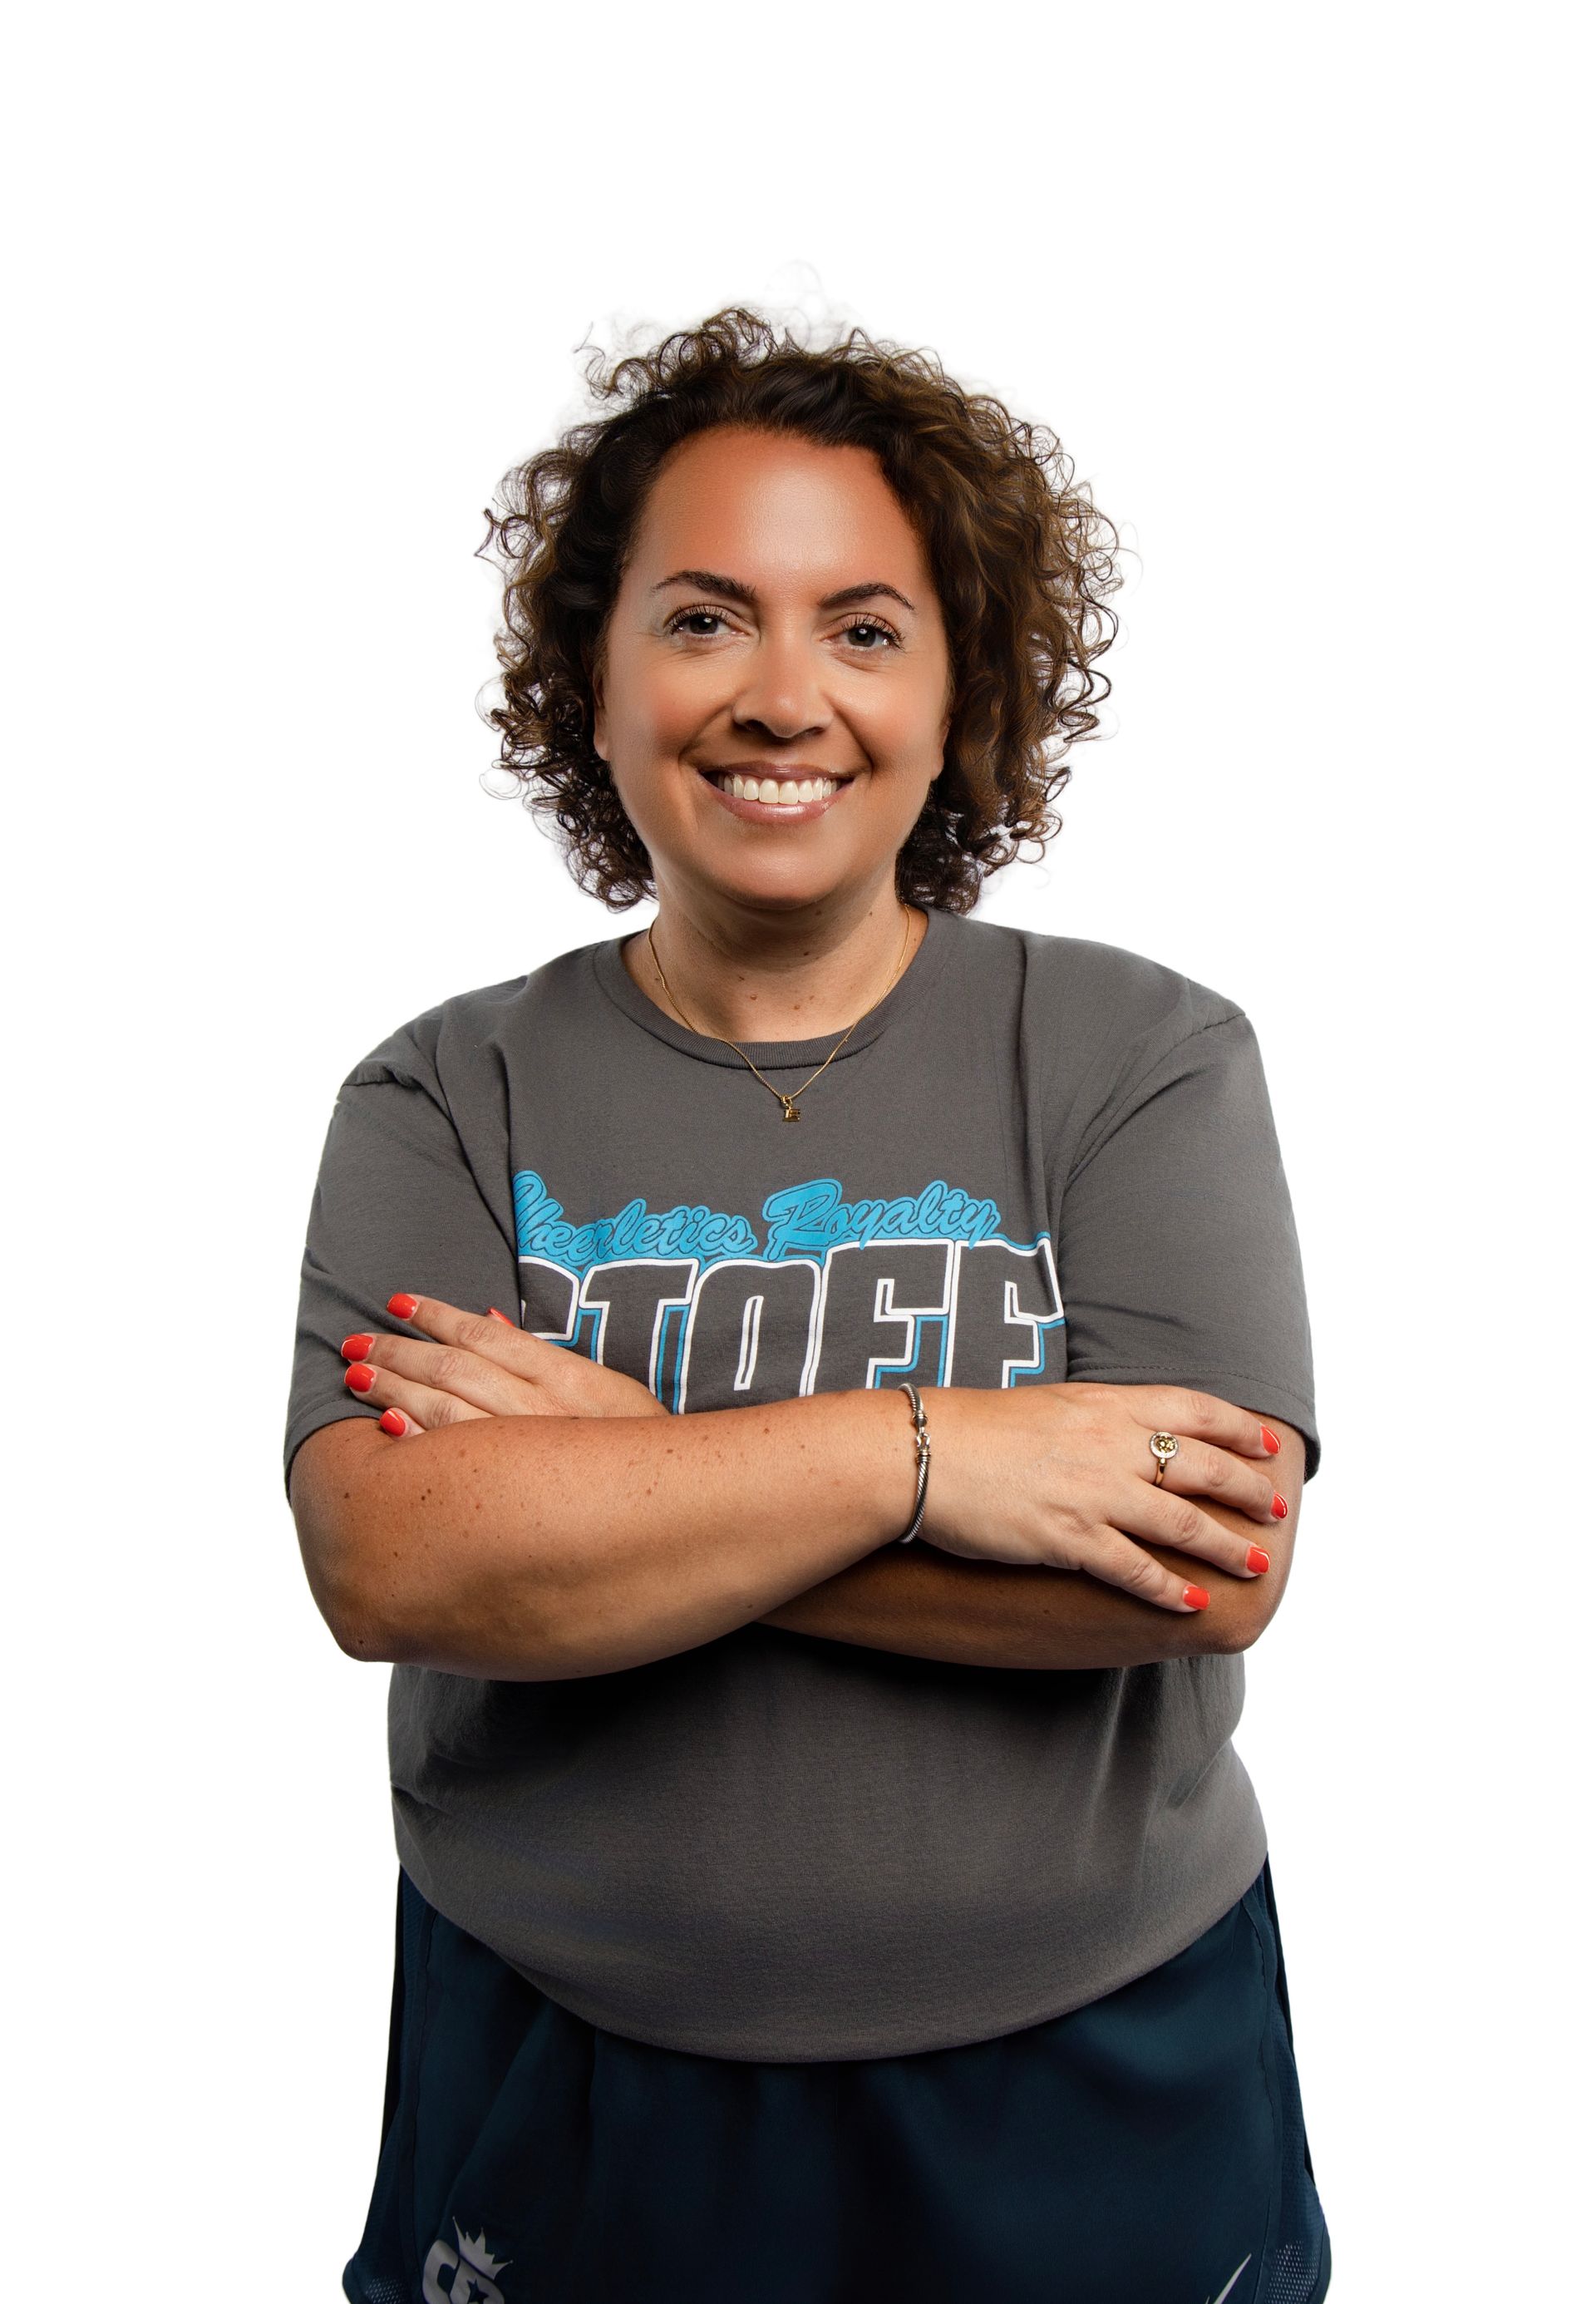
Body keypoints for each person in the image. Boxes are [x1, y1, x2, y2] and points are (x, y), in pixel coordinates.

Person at [284, 307, 1331, 2304]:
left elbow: (1212, 1560)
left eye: (863, 629)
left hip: (1096, 2067)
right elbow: (390, 1561)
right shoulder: (442, 1091)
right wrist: (933, 1458)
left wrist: (624, 1475)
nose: (784, 699)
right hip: (566, 2067)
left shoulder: (1140, 1055)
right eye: (703, 620)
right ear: (592, 681)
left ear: (959, 696)